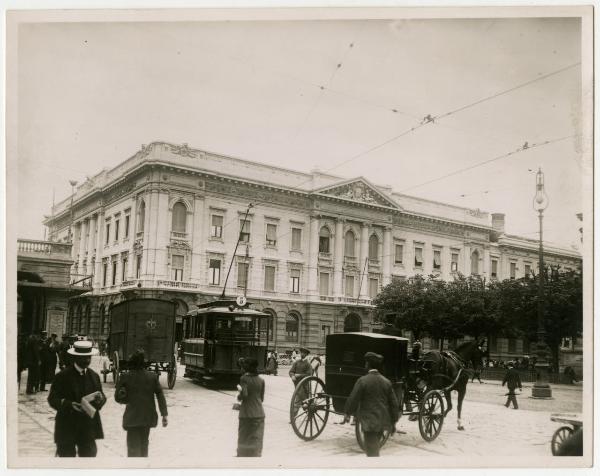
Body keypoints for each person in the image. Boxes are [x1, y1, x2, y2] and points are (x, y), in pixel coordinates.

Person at [47, 340, 106, 457]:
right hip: (67, 426)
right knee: (67, 462)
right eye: (83, 358)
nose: (87, 360)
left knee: (89, 460)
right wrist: (69, 405)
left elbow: (101, 396)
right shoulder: (62, 376)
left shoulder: (94, 376)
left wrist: (101, 399)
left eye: (89, 357)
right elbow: (53, 399)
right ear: (75, 358)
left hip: (88, 427)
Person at [343, 352, 399, 457]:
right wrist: (393, 422)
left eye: (366, 363)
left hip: (369, 423)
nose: (365, 365)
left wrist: (347, 413)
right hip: (382, 422)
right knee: (374, 447)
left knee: (372, 453)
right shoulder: (386, 382)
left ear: (368, 365)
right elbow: (394, 404)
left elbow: (353, 398)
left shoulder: (363, 381)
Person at [115, 349, 168, 457]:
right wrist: (164, 414)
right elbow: (160, 396)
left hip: (132, 418)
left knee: (133, 450)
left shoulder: (125, 377)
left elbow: (118, 398)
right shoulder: (152, 377)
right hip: (147, 418)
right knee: (144, 447)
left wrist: (125, 398)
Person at [235, 357, 265, 457]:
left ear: (246, 368)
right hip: (259, 413)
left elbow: (245, 395)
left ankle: (242, 457)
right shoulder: (261, 380)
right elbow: (261, 398)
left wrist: (239, 393)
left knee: (243, 438)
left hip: (246, 413)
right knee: (257, 439)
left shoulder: (244, 378)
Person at [289, 347, 313, 418]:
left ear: (306, 354)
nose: (302, 354)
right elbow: (291, 371)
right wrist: (292, 375)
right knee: (304, 402)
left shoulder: (308, 364)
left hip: (304, 386)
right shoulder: (296, 362)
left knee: (298, 402)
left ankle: (293, 418)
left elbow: (309, 375)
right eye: (301, 352)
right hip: (297, 385)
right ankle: (310, 415)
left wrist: (299, 375)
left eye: (304, 353)